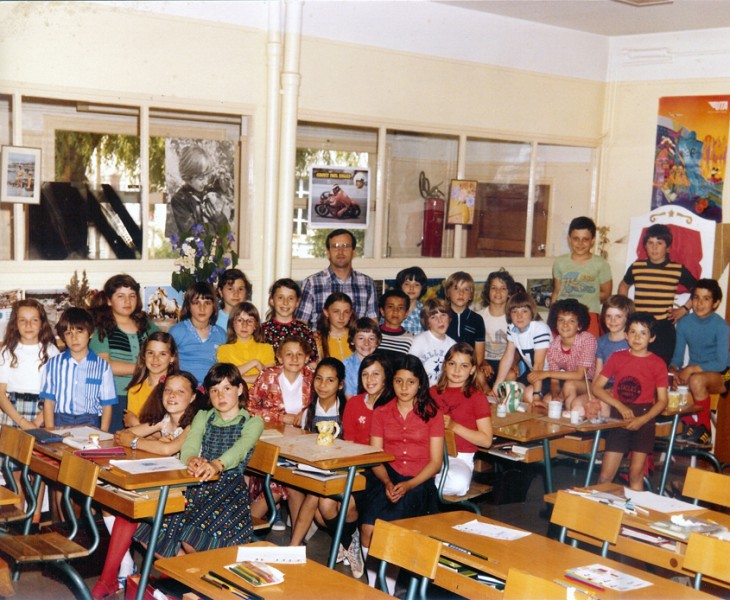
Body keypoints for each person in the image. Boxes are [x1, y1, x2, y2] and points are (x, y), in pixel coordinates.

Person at [91, 371, 205, 600]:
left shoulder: (194, 424)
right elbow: (123, 435)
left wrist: (140, 442)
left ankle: (109, 578)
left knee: (130, 511)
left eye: (180, 391)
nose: (172, 395)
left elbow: (167, 449)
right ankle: (111, 576)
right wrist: (149, 439)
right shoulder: (165, 421)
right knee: (119, 503)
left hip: (190, 493)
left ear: (193, 397)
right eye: (168, 390)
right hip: (163, 486)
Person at [134, 363, 264, 556]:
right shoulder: (203, 416)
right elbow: (191, 443)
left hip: (228, 491)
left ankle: (198, 571)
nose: (220, 396)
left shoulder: (253, 422)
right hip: (197, 484)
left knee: (192, 539)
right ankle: (184, 570)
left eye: (227, 388)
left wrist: (217, 464)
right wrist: (191, 458)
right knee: (151, 535)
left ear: (239, 389)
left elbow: (240, 449)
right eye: (214, 390)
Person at [360, 356, 444, 592]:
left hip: (419, 481)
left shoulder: (432, 413)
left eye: (411, 382)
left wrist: (409, 485)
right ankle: (375, 586)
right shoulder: (381, 412)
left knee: (391, 529)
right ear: (391, 382)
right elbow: (376, 457)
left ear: (420, 384)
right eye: (399, 381)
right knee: (368, 528)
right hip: (387, 476)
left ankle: (387, 588)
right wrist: (387, 481)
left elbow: (435, 463)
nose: (404, 388)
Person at [288, 359, 363, 578]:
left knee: (316, 497)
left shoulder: (348, 409)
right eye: (319, 379)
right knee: (319, 507)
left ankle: (294, 546)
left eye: (330, 380)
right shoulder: (308, 413)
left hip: (345, 470)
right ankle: (348, 541)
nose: (323, 385)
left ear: (340, 384)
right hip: (318, 469)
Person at [593, 313, 668, 491]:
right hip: (619, 417)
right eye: (633, 332)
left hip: (644, 418)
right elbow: (597, 388)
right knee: (605, 476)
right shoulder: (617, 357)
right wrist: (619, 405)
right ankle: (598, 507)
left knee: (635, 474)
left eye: (643, 333)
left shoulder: (658, 363)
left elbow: (662, 401)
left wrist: (642, 420)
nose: (637, 337)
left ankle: (635, 508)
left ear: (652, 338)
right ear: (626, 335)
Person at [247, 336, 313, 530]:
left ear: (307, 358)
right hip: (271, 441)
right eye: (289, 354)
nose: (294, 358)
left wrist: (305, 415)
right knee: (278, 484)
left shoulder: (312, 378)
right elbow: (249, 407)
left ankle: (297, 537)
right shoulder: (268, 376)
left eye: (299, 354)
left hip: (301, 445)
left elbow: (320, 407)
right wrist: (281, 417)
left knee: (293, 484)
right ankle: (243, 529)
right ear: (280, 357)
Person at [618, 223, 696, 366]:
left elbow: (697, 289)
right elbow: (623, 285)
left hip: (663, 329)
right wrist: (627, 310)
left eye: (659, 243)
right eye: (650, 243)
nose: (654, 247)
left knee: (660, 366)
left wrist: (684, 309)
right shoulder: (637, 267)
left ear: (668, 248)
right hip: (640, 327)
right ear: (645, 246)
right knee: (636, 365)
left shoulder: (676, 269)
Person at [90, 274, 159, 432]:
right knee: (117, 438)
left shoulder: (147, 326)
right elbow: (105, 365)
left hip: (147, 395)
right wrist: (143, 367)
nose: (127, 301)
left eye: (132, 296)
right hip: (115, 397)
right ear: (109, 300)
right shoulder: (102, 328)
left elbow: (164, 349)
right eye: (121, 296)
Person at [670, 279, 730, 444]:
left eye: (706, 299)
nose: (699, 303)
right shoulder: (684, 323)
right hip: (697, 373)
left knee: (696, 379)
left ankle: (705, 430)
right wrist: (674, 370)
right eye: (696, 297)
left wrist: (691, 369)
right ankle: (689, 424)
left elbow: (721, 363)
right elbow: (677, 357)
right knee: (666, 380)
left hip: (725, 373)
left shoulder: (721, 326)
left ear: (716, 303)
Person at [431, 343, 492, 496]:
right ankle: (424, 484)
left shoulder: (477, 397)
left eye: (464, 366)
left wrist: (454, 426)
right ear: (445, 366)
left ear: (472, 370)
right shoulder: (432, 393)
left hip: (459, 458)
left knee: (458, 483)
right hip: (429, 453)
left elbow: (486, 441)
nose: (457, 370)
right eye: (452, 364)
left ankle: (424, 486)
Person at [41, 307, 116, 430]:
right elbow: (49, 401)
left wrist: (104, 433)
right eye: (68, 333)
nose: (74, 338)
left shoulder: (102, 367)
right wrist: (50, 431)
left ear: (90, 333)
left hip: (90, 420)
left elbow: (107, 404)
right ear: (63, 337)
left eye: (79, 332)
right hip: (60, 419)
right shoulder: (54, 364)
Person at [295, 229, 378, 328]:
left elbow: (373, 324)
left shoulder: (367, 284)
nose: (340, 252)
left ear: (353, 252)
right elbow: (301, 324)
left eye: (345, 246)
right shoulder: (312, 283)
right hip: (320, 338)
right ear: (328, 252)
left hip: (355, 338)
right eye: (335, 247)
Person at [529, 299, 596, 415]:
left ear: (579, 326)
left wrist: (546, 373)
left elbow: (579, 375)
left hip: (589, 384)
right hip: (565, 382)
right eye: (561, 320)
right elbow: (554, 381)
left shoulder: (587, 339)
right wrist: (555, 396)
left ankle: (569, 421)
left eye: (571, 321)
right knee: (547, 401)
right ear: (556, 323)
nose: (565, 325)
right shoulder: (553, 346)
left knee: (569, 385)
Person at [0, 299, 59, 429]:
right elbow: (1, 393)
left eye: (34, 320)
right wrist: (22, 422)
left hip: (44, 412)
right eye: (22, 320)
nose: (28, 325)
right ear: (15, 324)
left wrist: (37, 422)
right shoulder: (7, 352)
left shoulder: (51, 351)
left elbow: (57, 391)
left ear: (42, 324)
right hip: (13, 414)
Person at [551, 216, 613, 338]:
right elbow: (557, 291)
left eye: (585, 239)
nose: (580, 243)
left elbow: (606, 294)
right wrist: (552, 316)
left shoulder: (601, 264)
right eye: (576, 239)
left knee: (588, 347)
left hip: (589, 315)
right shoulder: (560, 262)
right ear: (569, 239)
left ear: (593, 240)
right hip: (563, 315)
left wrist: (586, 299)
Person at [493, 291, 551, 403]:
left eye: (524, 311)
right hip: (532, 373)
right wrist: (496, 386)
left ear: (532, 312)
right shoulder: (512, 328)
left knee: (529, 395)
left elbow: (539, 365)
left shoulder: (539, 328)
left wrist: (536, 395)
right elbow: (508, 357)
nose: (519, 316)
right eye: (514, 311)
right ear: (509, 314)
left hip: (549, 375)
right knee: (510, 394)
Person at [165, 145, 228, 240]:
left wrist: (220, 217)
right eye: (201, 178)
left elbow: (225, 229)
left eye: (207, 176)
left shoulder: (206, 191)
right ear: (188, 178)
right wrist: (215, 224)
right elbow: (191, 232)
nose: (206, 182)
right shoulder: (179, 200)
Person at [169, 282, 226, 384]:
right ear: (188, 306)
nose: (202, 308)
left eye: (207, 303)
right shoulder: (177, 331)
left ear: (214, 306)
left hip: (212, 387)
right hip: (184, 386)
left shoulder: (221, 334)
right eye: (196, 303)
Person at [591, 295, 635, 418]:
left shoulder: (632, 342)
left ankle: (607, 430)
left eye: (618, 317)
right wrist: (593, 395)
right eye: (608, 316)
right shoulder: (601, 342)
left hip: (625, 387)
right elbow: (598, 373)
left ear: (627, 318)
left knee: (603, 404)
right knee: (578, 404)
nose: (612, 321)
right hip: (603, 385)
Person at [124, 331, 179, 428]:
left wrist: (136, 423)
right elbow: (132, 431)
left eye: (162, 354)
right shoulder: (135, 390)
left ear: (172, 358)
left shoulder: (178, 390)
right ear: (144, 356)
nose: (155, 359)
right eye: (150, 353)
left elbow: (173, 432)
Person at [262, 278, 318, 364]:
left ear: (297, 302)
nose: (285, 302)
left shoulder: (304, 330)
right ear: (272, 300)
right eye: (280, 298)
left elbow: (312, 362)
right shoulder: (262, 330)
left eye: (291, 298)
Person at [217, 302, 275, 384]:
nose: (244, 325)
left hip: (259, 391)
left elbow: (269, 377)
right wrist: (254, 363)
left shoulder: (266, 348)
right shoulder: (223, 349)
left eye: (250, 321)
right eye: (240, 320)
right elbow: (226, 376)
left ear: (255, 325)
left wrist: (238, 378)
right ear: (232, 323)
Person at [343, 354, 395, 446]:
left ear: (386, 376)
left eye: (375, 374)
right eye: (365, 374)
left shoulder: (394, 406)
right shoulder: (353, 403)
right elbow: (349, 442)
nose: (369, 379)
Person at [478, 269, 516, 387]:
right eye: (494, 288)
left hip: (507, 360)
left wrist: (514, 362)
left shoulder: (514, 317)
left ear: (509, 293)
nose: (498, 292)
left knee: (511, 375)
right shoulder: (479, 317)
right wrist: (482, 362)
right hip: (485, 360)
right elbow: (473, 347)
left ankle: (503, 398)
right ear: (488, 291)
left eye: (503, 288)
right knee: (479, 376)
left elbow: (519, 347)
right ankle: (488, 396)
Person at [408, 298, 456, 386]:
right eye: (433, 317)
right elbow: (409, 368)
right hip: (422, 389)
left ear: (449, 318)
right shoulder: (419, 341)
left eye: (443, 315)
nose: (440, 320)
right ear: (427, 322)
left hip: (442, 389)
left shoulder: (453, 344)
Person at [445, 272, 486, 370]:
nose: (461, 293)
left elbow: (479, 357)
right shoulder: (441, 317)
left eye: (466, 289)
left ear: (471, 295)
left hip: (468, 367)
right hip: (445, 366)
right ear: (448, 293)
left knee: (481, 376)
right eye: (456, 288)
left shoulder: (477, 319)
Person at [343, 318, 382, 397]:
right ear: (352, 340)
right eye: (361, 338)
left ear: (377, 342)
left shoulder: (382, 364)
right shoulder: (346, 366)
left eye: (371, 338)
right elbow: (350, 399)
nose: (366, 343)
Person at [377, 288, 414, 364]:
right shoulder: (373, 334)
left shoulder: (410, 339)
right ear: (382, 311)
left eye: (400, 308)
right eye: (390, 306)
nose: (395, 311)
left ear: (406, 313)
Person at [315, 292, 355, 361]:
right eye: (336, 311)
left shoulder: (356, 336)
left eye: (346, 312)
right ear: (326, 312)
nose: (341, 317)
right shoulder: (318, 339)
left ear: (351, 313)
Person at [395, 266, 428, 335]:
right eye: (407, 284)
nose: (411, 288)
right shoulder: (392, 310)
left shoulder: (426, 311)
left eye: (416, 285)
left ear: (422, 288)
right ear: (400, 286)